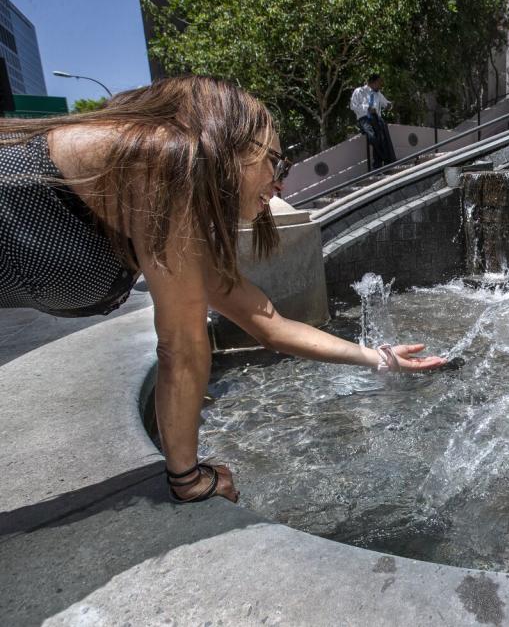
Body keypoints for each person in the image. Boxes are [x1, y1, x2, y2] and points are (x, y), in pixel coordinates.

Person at [0, 75, 445, 504]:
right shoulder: (159, 162)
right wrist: (188, 478)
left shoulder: (156, 185)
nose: (280, 181)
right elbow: (181, 346)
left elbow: (267, 323)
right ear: (228, 141)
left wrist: (380, 359)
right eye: (276, 160)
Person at [350, 73, 397, 169]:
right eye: (379, 82)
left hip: (376, 119)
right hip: (364, 119)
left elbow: (386, 103)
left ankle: (378, 165)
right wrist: (367, 108)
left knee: (381, 138)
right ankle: (384, 158)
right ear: (373, 82)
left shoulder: (378, 93)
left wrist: (389, 105)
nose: (381, 85)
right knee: (372, 137)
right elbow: (353, 106)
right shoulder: (359, 91)